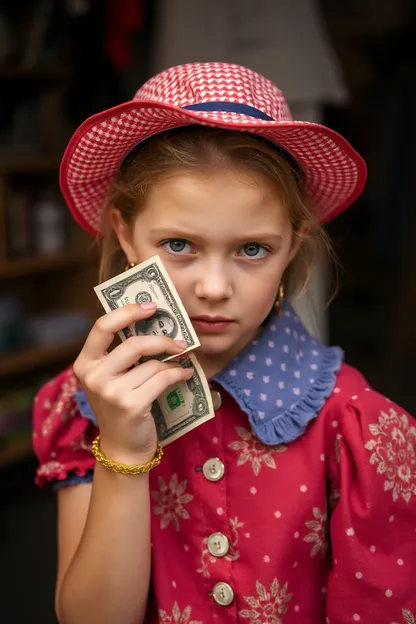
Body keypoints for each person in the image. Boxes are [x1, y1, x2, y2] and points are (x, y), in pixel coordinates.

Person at [32, 63, 416, 624]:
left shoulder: (355, 426)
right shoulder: (85, 406)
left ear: (293, 245)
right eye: (180, 244)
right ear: (124, 234)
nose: (214, 288)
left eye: (253, 249)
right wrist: (121, 451)